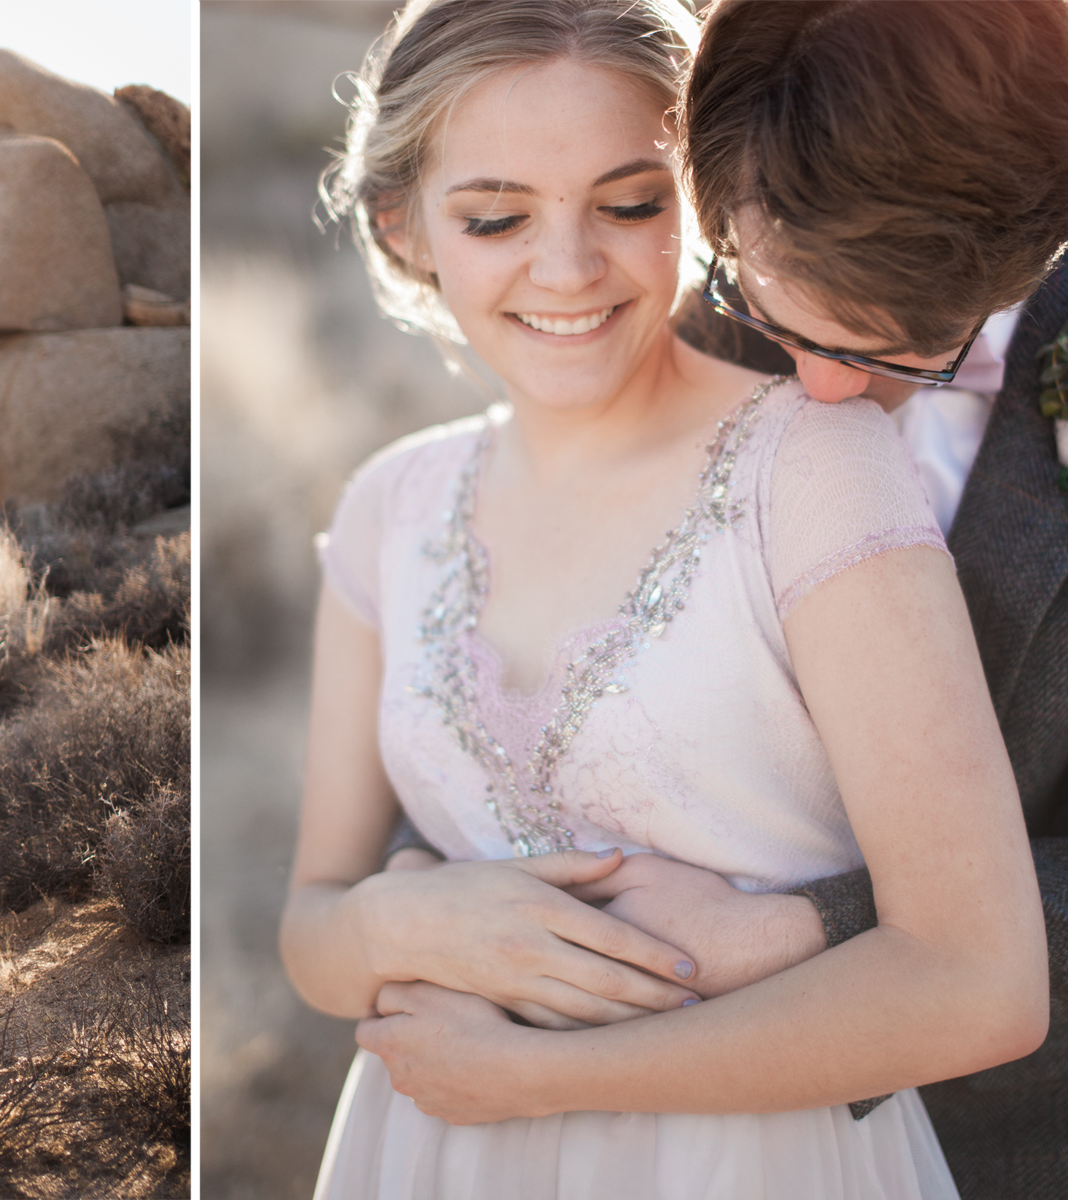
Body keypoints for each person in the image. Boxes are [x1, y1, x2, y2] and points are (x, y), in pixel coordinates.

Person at [278, 1, 1048, 1195]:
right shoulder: (391, 505)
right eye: (494, 218)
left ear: (692, 199)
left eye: (630, 204)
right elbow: (314, 926)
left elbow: (980, 978)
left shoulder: (816, 461)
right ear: (404, 224)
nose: (569, 268)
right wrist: (402, 924)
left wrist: (540, 1079)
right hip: (424, 1153)